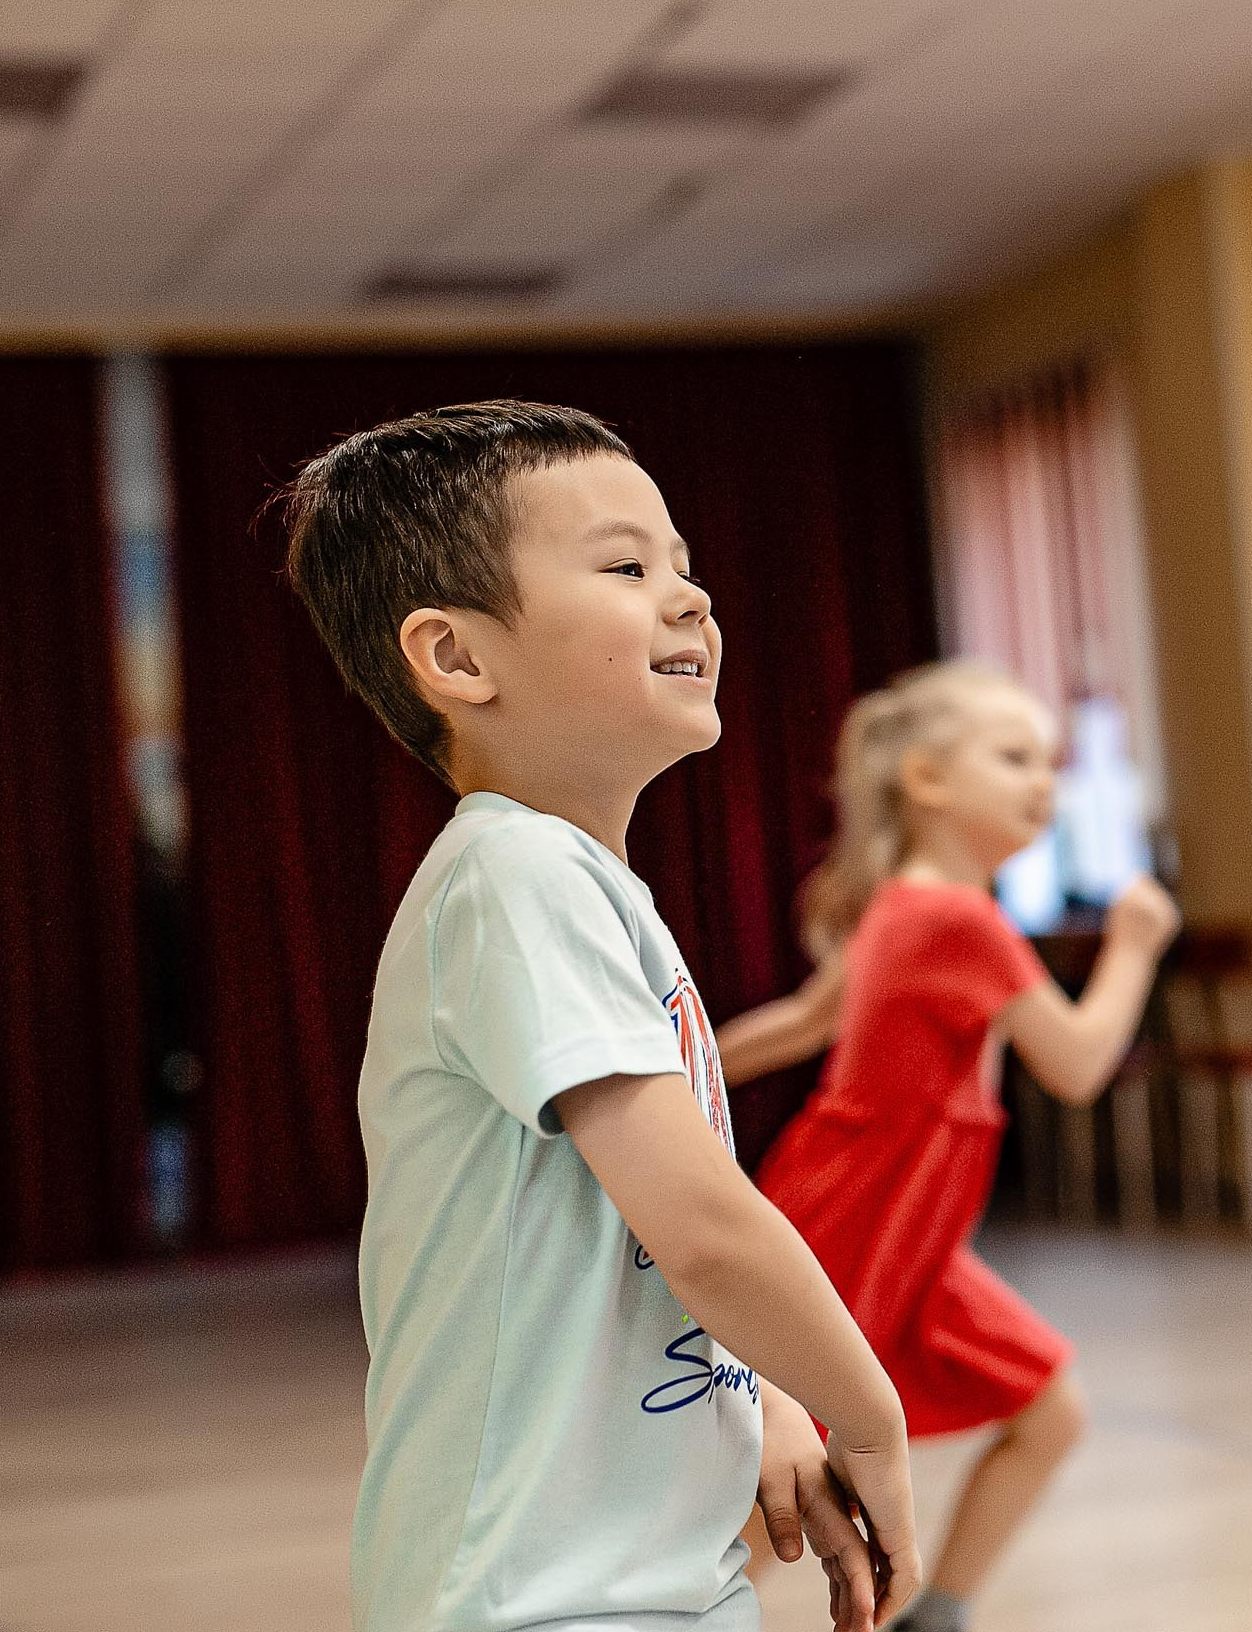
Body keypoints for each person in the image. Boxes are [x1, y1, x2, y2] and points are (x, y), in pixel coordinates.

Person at [279, 399, 920, 1632]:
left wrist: (766, 1401)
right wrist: (870, 1417)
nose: (692, 599)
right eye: (628, 567)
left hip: (644, 1581)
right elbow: (705, 1230)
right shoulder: (516, 879)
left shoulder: (573, 884)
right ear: (458, 660)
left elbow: (625, 1242)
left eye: (684, 565)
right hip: (539, 1597)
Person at [730, 660, 1180, 1632]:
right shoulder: (957, 918)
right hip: (862, 1216)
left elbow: (806, 1019)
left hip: (911, 1228)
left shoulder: (906, 901)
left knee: (1046, 1408)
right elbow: (1076, 1060)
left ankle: (942, 1614)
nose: (1042, 781)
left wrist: (683, 1070)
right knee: (795, 1474)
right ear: (927, 779)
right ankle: (667, 1612)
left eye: (1050, 762)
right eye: (1014, 755)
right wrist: (1135, 946)